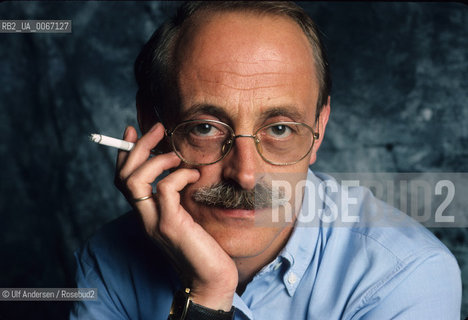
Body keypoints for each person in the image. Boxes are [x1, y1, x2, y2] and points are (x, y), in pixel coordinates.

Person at [71, 2, 461, 319]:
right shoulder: (108, 260)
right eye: (206, 128)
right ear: (151, 124)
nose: (244, 174)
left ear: (319, 129)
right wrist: (208, 295)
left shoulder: (406, 276)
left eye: (279, 130)